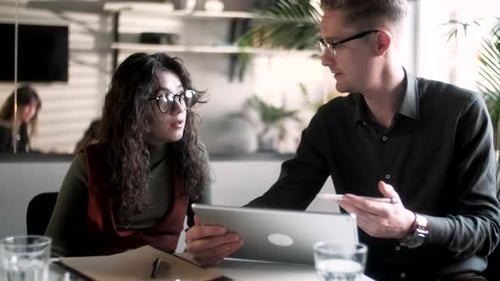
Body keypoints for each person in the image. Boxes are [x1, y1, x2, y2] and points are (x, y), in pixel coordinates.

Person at [185, 1, 500, 280]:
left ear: (380, 41)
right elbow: (284, 198)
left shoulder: (461, 110)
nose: (324, 58)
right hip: (361, 275)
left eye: (334, 44)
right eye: (323, 43)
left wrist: (411, 224)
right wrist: (222, 234)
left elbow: (487, 229)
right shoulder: (330, 120)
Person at [45, 52, 211, 257]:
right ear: (134, 107)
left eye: (181, 95)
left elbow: (207, 240)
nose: (179, 108)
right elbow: (54, 251)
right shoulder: (90, 163)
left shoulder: (193, 156)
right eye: (165, 98)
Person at [0, 84, 42, 153]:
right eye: (28, 106)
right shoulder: (3, 130)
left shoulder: (22, 126)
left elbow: (24, 152)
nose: (32, 111)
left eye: (34, 107)